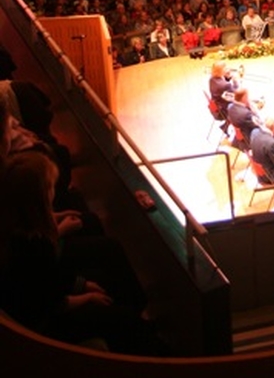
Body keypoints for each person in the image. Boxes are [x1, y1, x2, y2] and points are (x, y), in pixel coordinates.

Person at [0, 151, 165, 355]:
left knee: (104, 280)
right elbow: (50, 302)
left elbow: (50, 279)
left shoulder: (15, 222)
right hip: (44, 324)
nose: (54, 192)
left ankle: (137, 318)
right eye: (51, 187)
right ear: (40, 198)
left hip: (42, 299)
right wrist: (86, 298)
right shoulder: (33, 246)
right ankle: (152, 349)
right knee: (117, 316)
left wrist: (82, 284)